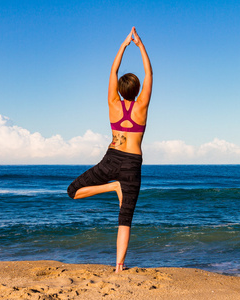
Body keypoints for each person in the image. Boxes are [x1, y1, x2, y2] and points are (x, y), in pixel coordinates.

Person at [67, 27, 152, 273]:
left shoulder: (113, 104)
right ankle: (118, 268)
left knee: (73, 191)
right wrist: (140, 45)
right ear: (137, 90)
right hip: (132, 165)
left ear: (120, 90)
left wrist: (124, 45)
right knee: (125, 220)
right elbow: (149, 71)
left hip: (111, 159)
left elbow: (113, 70)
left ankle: (110, 186)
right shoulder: (142, 106)